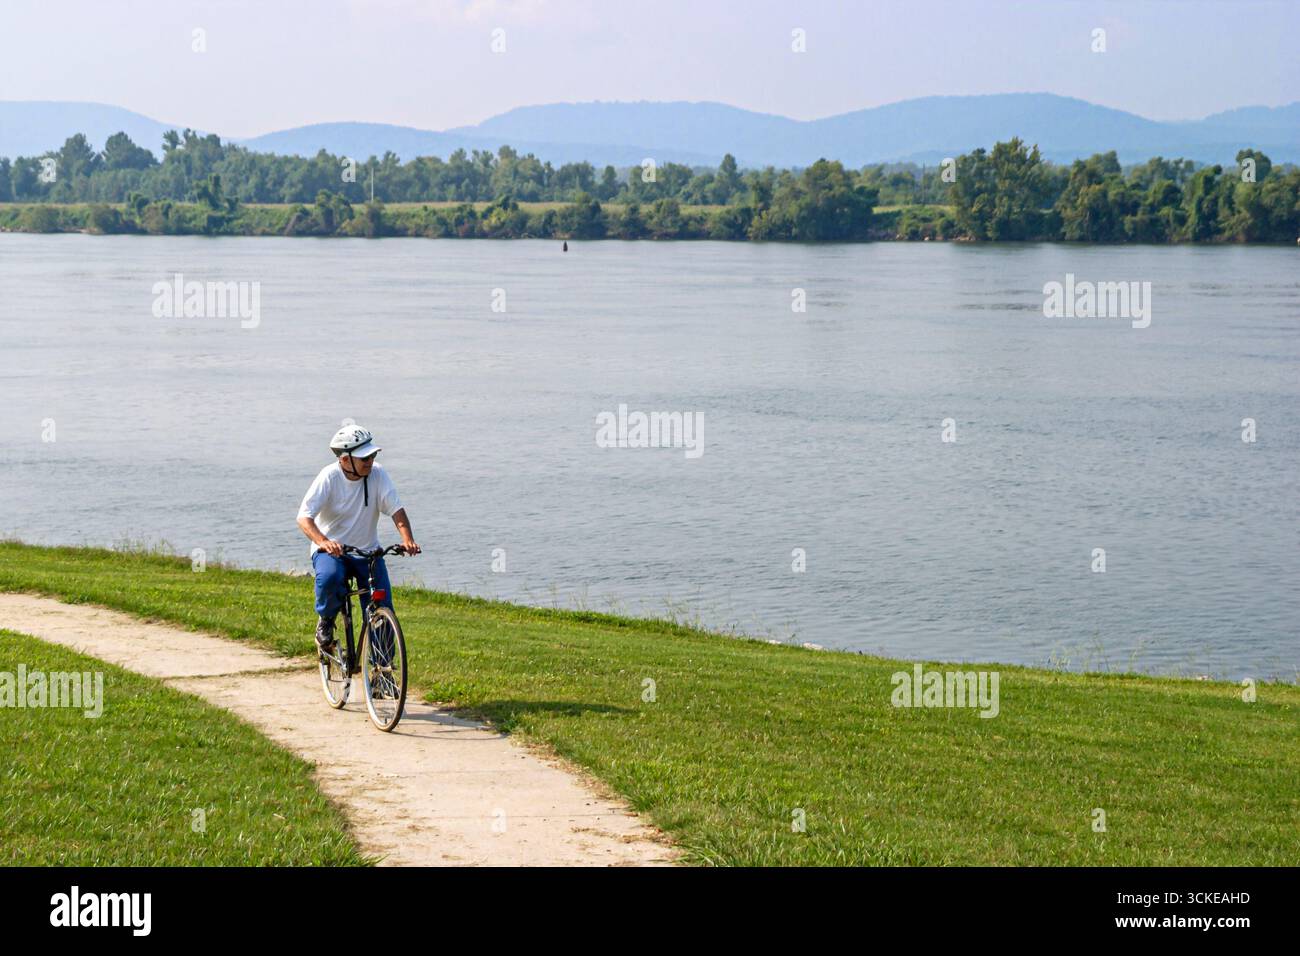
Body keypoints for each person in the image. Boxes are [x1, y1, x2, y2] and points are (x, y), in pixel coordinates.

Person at [296, 424, 420, 651]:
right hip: (333, 552)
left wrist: (407, 539)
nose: (370, 461)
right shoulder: (329, 477)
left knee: (383, 610)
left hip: (368, 552)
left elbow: (396, 510)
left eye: (372, 455)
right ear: (344, 460)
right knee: (331, 577)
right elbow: (304, 518)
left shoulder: (378, 474)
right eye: (364, 458)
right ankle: (326, 621)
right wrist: (323, 541)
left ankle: (384, 674)